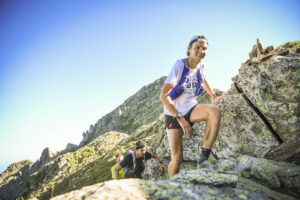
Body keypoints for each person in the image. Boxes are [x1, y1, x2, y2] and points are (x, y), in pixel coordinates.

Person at [159, 35, 223, 177]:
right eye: (197, 48)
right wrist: (181, 119)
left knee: (215, 112)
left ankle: (203, 159)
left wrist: (213, 96)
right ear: (189, 49)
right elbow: (163, 96)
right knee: (177, 157)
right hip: (173, 113)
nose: (201, 51)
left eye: (204, 48)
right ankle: (172, 185)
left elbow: (204, 80)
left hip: (191, 108)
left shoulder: (202, 66)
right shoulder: (179, 65)